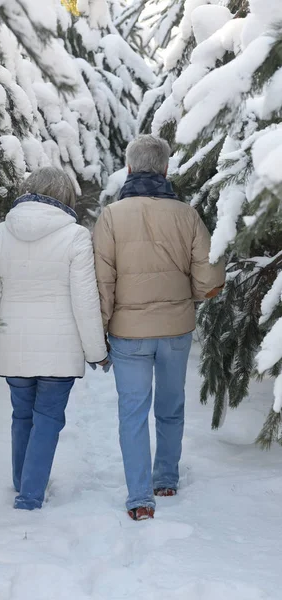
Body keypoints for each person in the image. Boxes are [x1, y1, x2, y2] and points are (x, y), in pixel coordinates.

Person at [93, 135, 225, 521]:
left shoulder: (111, 217)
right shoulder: (187, 215)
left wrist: (99, 332)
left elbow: (102, 281)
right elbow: (210, 276)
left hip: (127, 333)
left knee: (132, 412)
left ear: (129, 169)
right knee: (171, 406)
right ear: (166, 169)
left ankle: (139, 497)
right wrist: (190, 297)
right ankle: (165, 478)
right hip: (175, 329)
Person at [0, 167, 108, 511]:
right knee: (48, 417)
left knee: (22, 415)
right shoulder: (76, 236)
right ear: (66, 197)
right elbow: (85, 299)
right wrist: (97, 351)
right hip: (59, 349)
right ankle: (30, 495)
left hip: (13, 343)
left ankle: (24, 482)